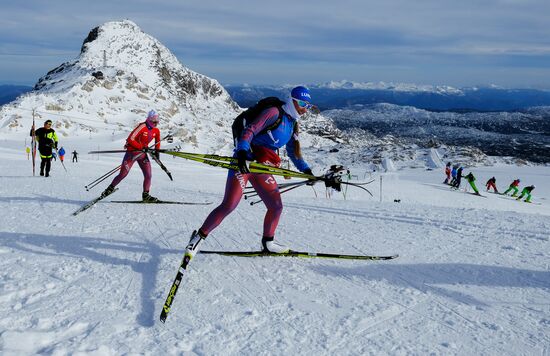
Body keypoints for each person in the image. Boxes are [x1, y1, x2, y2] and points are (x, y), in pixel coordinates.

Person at [184, 86, 316, 258]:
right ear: (291, 100)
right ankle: (198, 238)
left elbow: (293, 153)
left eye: (308, 105)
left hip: (261, 167)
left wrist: (307, 170)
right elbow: (250, 130)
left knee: (276, 206)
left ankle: (268, 243)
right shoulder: (274, 113)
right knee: (229, 205)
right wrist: (242, 152)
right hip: (244, 163)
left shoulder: (292, 124)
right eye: (301, 103)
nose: (304, 108)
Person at [100, 110, 161, 201]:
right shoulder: (142, 126)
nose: (156, 124)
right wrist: (141, 147)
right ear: (149, 119)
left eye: (157, 122)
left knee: (148, 175)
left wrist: (157, 152)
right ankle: (109, 189)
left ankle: (146, 195)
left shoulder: (156, 130)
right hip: (132, 154)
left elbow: (157, 141)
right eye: (154, 122)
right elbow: (130, 139)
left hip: (143, 155)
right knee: (123, 174)